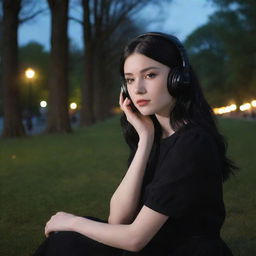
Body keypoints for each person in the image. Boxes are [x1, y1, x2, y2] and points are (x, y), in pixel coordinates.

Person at [32, 32, 238, 256]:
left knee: (70, 239)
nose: (137, 88)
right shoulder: (154, 136)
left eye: (149, 75)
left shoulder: (193, 143)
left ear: (178, 78)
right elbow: (118, 219)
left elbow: (134, 239)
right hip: (154, 246)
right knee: (68, 241)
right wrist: (145, 141)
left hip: (180, 250)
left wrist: (72, 221)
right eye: (130, 79)